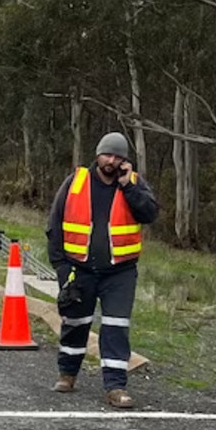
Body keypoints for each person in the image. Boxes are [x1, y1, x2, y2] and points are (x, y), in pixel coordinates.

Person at [45, 132, 159, 408]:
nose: (112, 160)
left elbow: (150, 214)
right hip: (79, 269)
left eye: (119, 156)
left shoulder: (133, 184)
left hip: (120, 272)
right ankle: (67, 374)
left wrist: (127, 186)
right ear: (98, 154)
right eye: (108, 155)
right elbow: (55, 222)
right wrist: (61, 266)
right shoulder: (76, 181)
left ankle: (115, 386)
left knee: (116, 328)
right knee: (75, 323)